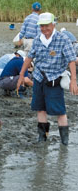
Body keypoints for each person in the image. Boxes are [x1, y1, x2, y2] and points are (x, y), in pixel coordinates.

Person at [17, 12, 77, 146]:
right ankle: (42, 137)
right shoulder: (38, 39)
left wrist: (73, 80)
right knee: (40, 108)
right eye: (41, 26)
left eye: (46, 26)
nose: (44, 29)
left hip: (54, 79)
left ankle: (64, 142)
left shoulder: (62, 39)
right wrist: (22, 74)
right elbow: (30, 57)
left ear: (53, 24)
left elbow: (71, 60)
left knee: (60, 110)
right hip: (39, 77)